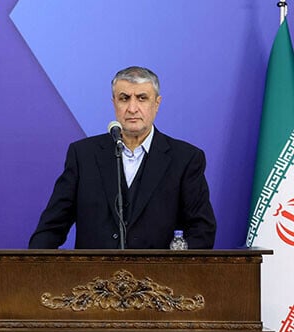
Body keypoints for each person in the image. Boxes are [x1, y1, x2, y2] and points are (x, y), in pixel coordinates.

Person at [28, 66, 216, 249]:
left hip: (158, 279)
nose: (132, 108)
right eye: (124, 98)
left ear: (156, 104)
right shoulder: (83, 155)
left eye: (142, 98)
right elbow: (51, 228)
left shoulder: (185, 159)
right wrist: (34, 268)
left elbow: (202, 232)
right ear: (114, 103)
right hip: (94, 278)